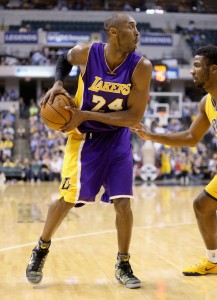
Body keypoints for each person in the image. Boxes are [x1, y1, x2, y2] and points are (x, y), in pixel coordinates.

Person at [26, 13, 152, 288]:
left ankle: (123, 263)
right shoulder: (87, 53)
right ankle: (41, 248)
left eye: (137, 27)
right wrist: (59, 82)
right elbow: (63, 59)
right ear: (113, 33)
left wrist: (85, 114)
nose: (137, 32)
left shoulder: (141, 67)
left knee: (123, 203)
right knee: (67, 200)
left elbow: (133, 118)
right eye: (131, 27)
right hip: (82, 137)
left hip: (117, 137)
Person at [131, 44, 217, 276]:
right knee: (202, 206)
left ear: (214, 70)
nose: (192, 70)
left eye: (198, 66)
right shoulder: (206, 103)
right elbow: (191, 137)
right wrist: (152, 136)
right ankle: (214, 260)